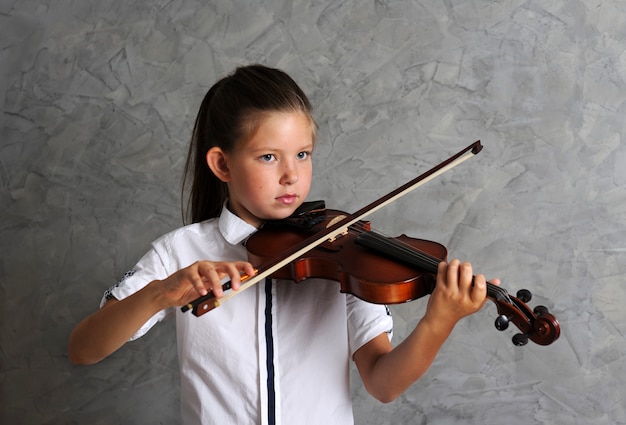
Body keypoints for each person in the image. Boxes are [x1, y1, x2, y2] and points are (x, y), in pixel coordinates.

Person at [68, 64, 494, 425]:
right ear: (221, 163)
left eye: (303, 154)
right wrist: (160, 293)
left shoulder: (344, 253)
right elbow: (84, 348)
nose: (291, 175)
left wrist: (439, 322)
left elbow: (382, 384)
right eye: (269, 157)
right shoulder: (180, 252)